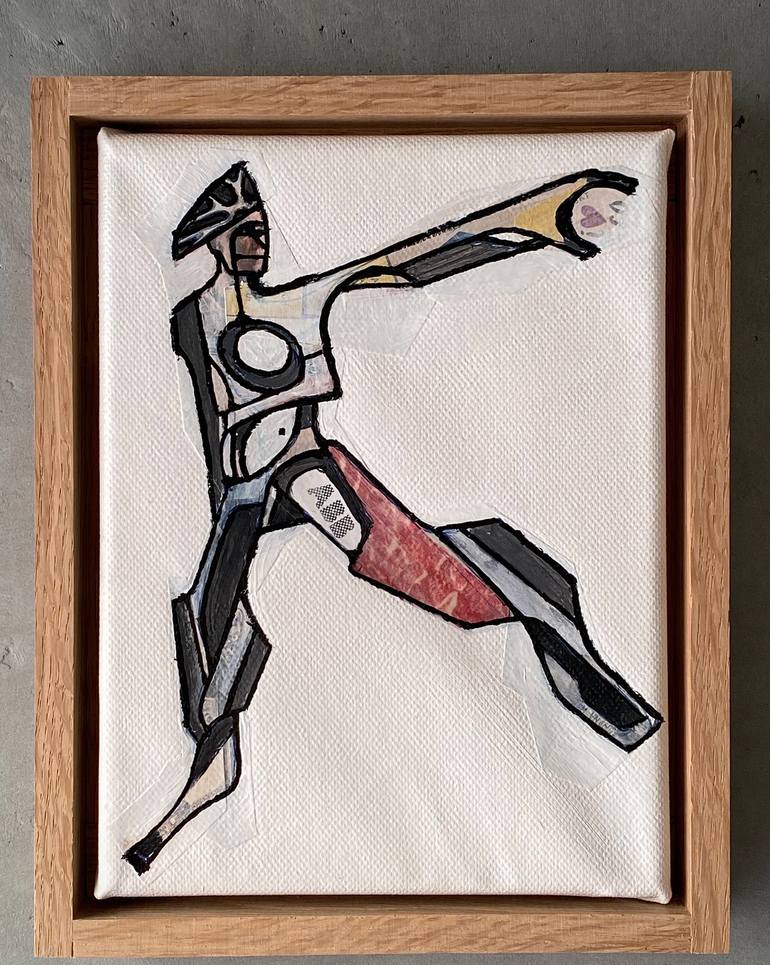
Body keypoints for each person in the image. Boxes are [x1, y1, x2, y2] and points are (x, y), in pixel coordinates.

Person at [124, 162, 662, 874]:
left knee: (448, 579)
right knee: (208, 618)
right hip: (244, 496)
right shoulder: (192, 318)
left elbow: (409, 263)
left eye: (261, 227)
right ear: (217, 241)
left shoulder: (299, 307)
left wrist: (555, 216)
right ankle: (213, 770)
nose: (258, 240)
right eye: (243, 230)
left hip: (306, 474)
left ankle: (586, 676)